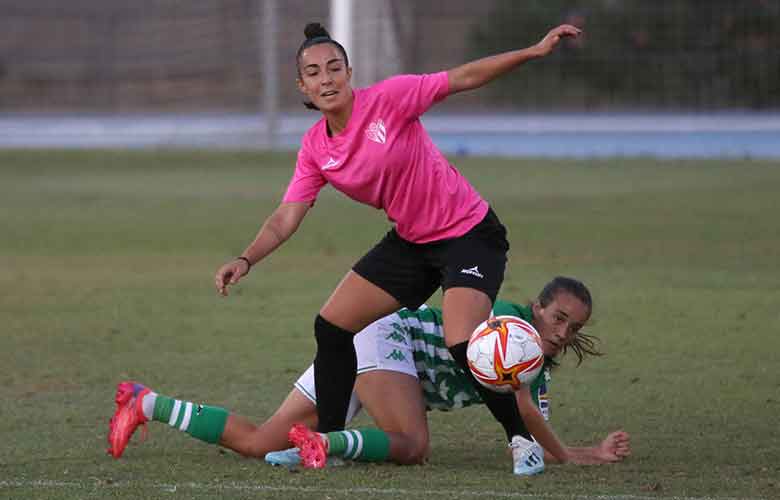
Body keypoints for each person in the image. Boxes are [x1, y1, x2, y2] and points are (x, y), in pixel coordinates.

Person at [210, 21, 583, 457]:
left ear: (349, 73)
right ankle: (325, 443)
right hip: (413, 242)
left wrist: (531, 51)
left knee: (463, 342)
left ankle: (522, 442)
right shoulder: (315, 148)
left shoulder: (389, 99)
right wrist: (246, 258)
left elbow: (461, 78)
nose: (326, 79)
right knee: (331, 327)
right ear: (303, 86)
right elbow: (285, 218)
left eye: (334, 68)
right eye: (314, 73)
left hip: (469, 233)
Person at [108, 277, 631, 475]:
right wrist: (571, 455)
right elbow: (518, 413)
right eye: (557, 318)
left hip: (379, 356)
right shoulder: (509, 326)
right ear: (537, 308)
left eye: (573, 326)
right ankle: (323, 444)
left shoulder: (533, 371)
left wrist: (581, 453)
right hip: (384, 337)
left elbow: (530, 426)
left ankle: (143, 402)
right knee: (411, 443)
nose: (562, 332)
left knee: (258, 442)